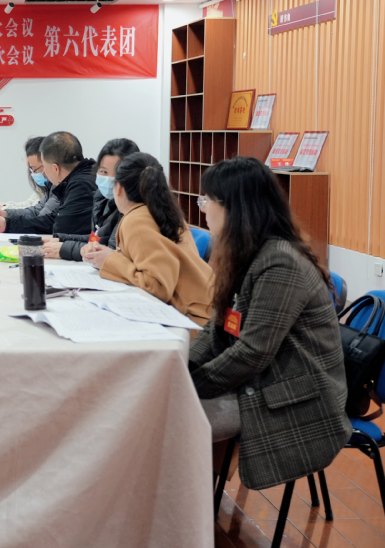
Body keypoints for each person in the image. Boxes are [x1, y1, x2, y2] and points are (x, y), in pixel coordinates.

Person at [188, 157, 350, 490]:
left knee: (167, 419)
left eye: (207, 199)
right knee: (164, 409)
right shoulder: (249, 252)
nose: (202, 208)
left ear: (234, 207)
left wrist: (191, 384)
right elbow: (218, 327)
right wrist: (184, 367)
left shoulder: (279, 262)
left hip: (297, 396)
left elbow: (252, 353)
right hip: (266, 379)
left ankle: (178, 511)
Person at [81, 152, 213, 324]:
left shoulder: (136, 220)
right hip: (201, 313)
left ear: (119, 188)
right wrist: (108, 256)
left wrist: (110, 260)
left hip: (189, 321)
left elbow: (157, 286)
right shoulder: (161, 210)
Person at [46, 138, 140, 261]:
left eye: (116, 173)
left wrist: (64, 249)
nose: (109, 178)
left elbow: (111, 253)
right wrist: (59, 239)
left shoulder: (132, 207)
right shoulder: (102, 198)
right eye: (103, 171)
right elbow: (97, 239)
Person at [0, 132, 95, 236]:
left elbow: (58, 225)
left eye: (45, 167)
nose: (45, 174)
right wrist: (7, 223)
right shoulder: (77, 179)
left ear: (55, 168)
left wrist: (8, 224)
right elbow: (52, 218)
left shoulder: (80, 186)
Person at [1, 137, 48, 210]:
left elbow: (36, 211)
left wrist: (6, 210)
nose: (33, 173)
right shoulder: (43, 185)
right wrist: (4, 207)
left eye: (33, 169)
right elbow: (30, 203)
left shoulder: (59, 188)